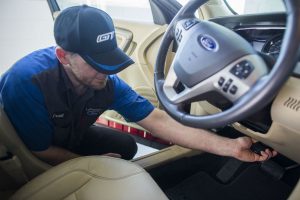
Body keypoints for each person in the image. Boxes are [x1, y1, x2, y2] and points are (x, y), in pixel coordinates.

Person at [0, 5, 276, 165]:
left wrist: (230, 147)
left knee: (125, 148)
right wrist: (90, 163)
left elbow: (158, 121)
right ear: (64, 57)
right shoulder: (27, 82)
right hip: (33, 147)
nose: (105, 75)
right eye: (96, 64)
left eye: (109, 61)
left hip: (71, 134)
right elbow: (38, 150)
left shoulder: (105, 81)